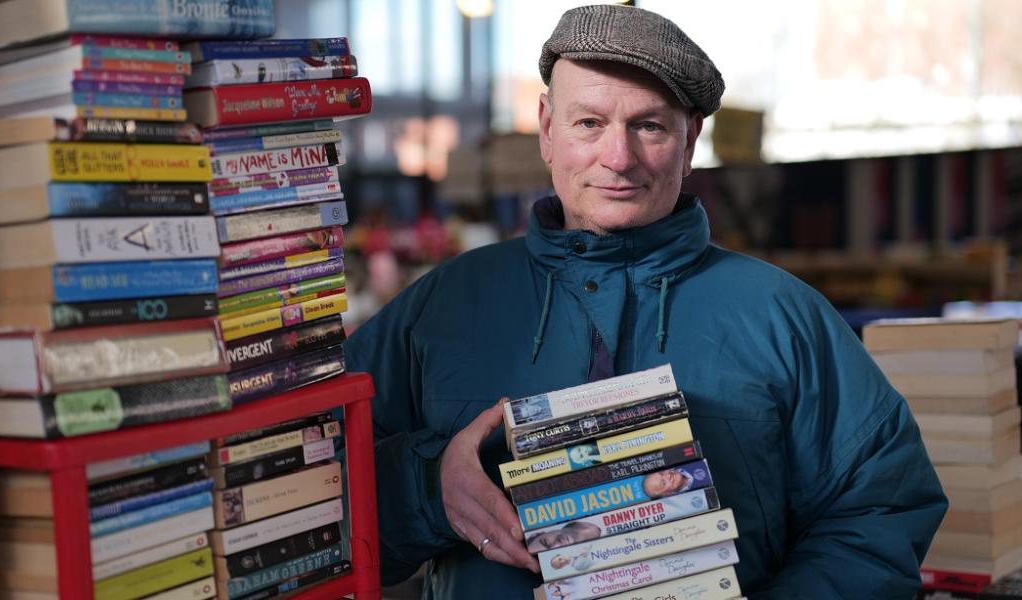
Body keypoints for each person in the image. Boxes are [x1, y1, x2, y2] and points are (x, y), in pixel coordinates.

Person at [343, 5, 947, 599]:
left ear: (690, 143)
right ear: (547, 128)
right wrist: (427, 488)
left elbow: (879, 509)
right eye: (589, 124)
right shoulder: (441, 308)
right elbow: (310, 492)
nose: (619, 157)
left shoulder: (784, 317)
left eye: (649, 126)